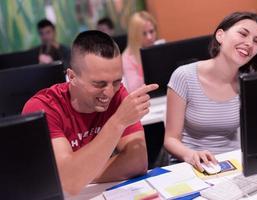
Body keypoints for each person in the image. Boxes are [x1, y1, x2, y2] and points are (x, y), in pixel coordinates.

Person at [22, 30, 158, 195]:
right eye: (99, 84)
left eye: (116, 81)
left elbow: (137, 162)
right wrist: (118, 122)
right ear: (72, 77)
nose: (109, 92)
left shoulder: (118, 94)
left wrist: (82, 174)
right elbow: (70, 183)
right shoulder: (43, 107)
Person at [164, 12, 257, 172]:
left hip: (233, 165)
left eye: (256, 41)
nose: (249, 43)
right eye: (243, 33)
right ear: (220, 35)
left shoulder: (247, 82)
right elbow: (170, 139)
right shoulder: (184, 76)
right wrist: (190, 155)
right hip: (191, 166)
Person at [122, 11, 158, 93]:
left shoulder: (160, 48)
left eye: (151, 31)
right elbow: (134, 89)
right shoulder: (126, 59)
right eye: (144, 33)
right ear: (135, 35)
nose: (149, 37)